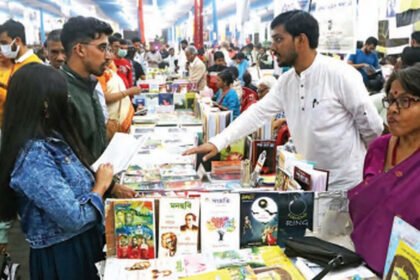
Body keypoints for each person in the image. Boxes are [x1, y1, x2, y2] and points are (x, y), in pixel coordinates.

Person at [184, 10, 383, 191]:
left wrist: (372, 174)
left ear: (301, 40)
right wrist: (217, 142)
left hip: (347, 185)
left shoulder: (340, 75)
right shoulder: (287, 82)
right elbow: (257, 114)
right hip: (307, 181)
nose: (272, 48)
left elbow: (372, 128)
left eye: (279, 39)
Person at [0, 63, 114, 279]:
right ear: (45, 104)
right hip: (64, 255)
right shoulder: (34, 155)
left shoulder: (52, 138)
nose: (67, 101)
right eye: (63, 96)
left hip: (81, 243)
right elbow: (73, 217)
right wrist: (100, 186)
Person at [348, 64, 420, 276]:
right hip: (358, 265)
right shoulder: (379, 148)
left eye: (405, 101)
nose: (393, 109)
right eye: (390, 100)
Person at [60, 16, 136, 198]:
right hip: (80, 199)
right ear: (80, 50)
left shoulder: (90, 85)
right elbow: (70, 158)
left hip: (99, 188)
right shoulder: (60, 92)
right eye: (102, 48)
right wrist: (107, 187)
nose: (109, 56)